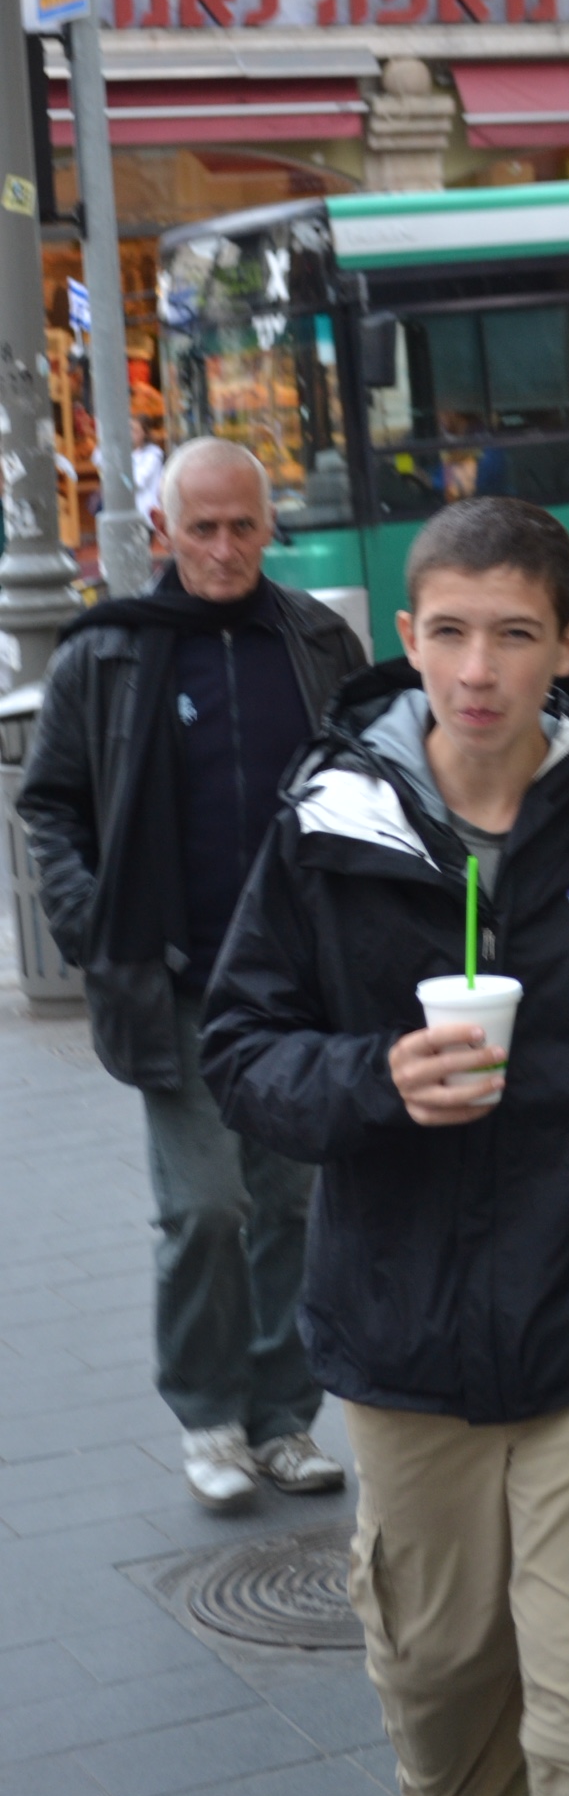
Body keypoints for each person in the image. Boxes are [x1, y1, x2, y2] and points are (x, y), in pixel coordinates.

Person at [201, 496, 569, 1796]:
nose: (477, 670)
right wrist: (374, 1079)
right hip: (398, 1345)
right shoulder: (330, 829)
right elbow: (239, 1048)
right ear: (406, 636)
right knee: (444, 1703)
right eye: (449, 632)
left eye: (513, 634)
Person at [19, 437, 366, 1511]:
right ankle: (210, 1415)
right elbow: (49, 805)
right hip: (175, 986)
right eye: (201, 528)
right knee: (207, 1208)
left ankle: (284, 1419)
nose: (223, 547)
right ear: (162, 531)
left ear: (269, 527)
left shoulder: (317, 641)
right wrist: (97, 927)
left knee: (293, 1206)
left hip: (298, 990)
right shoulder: (108, 651)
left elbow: (372, 787)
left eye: (242, 526)